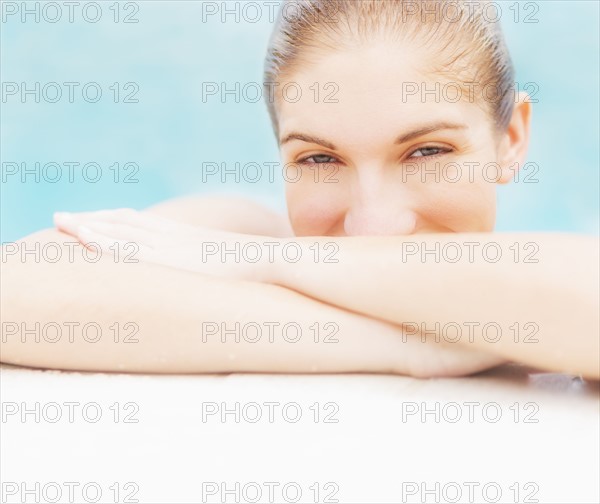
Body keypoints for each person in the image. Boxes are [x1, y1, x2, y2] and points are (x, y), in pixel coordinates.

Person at [2, 0, 598, 379]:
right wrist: (409, 345)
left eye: (427, 152)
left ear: (511, 139)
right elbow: (14, 289)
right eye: (319, 158)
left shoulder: (257, 257)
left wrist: (261, 265)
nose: (372, 223)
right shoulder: (250, 231)